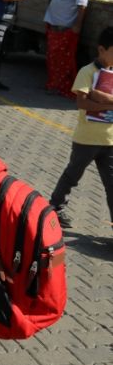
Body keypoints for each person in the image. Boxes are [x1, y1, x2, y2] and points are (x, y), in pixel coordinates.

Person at [47, 26, 113, 230]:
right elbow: (82, 103)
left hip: (109, 141)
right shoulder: (87, 71)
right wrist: (107, 104)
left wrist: (104, 98)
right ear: (101, 50)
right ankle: (55, 207)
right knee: (72, 176)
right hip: (86, 139)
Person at [44, 0, 89, 98]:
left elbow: (82, 5)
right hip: (55, 27)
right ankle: (54, 85)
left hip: (66, 29)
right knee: (54, 59)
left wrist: (77, 26)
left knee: (64, 62)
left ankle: (62, 89)